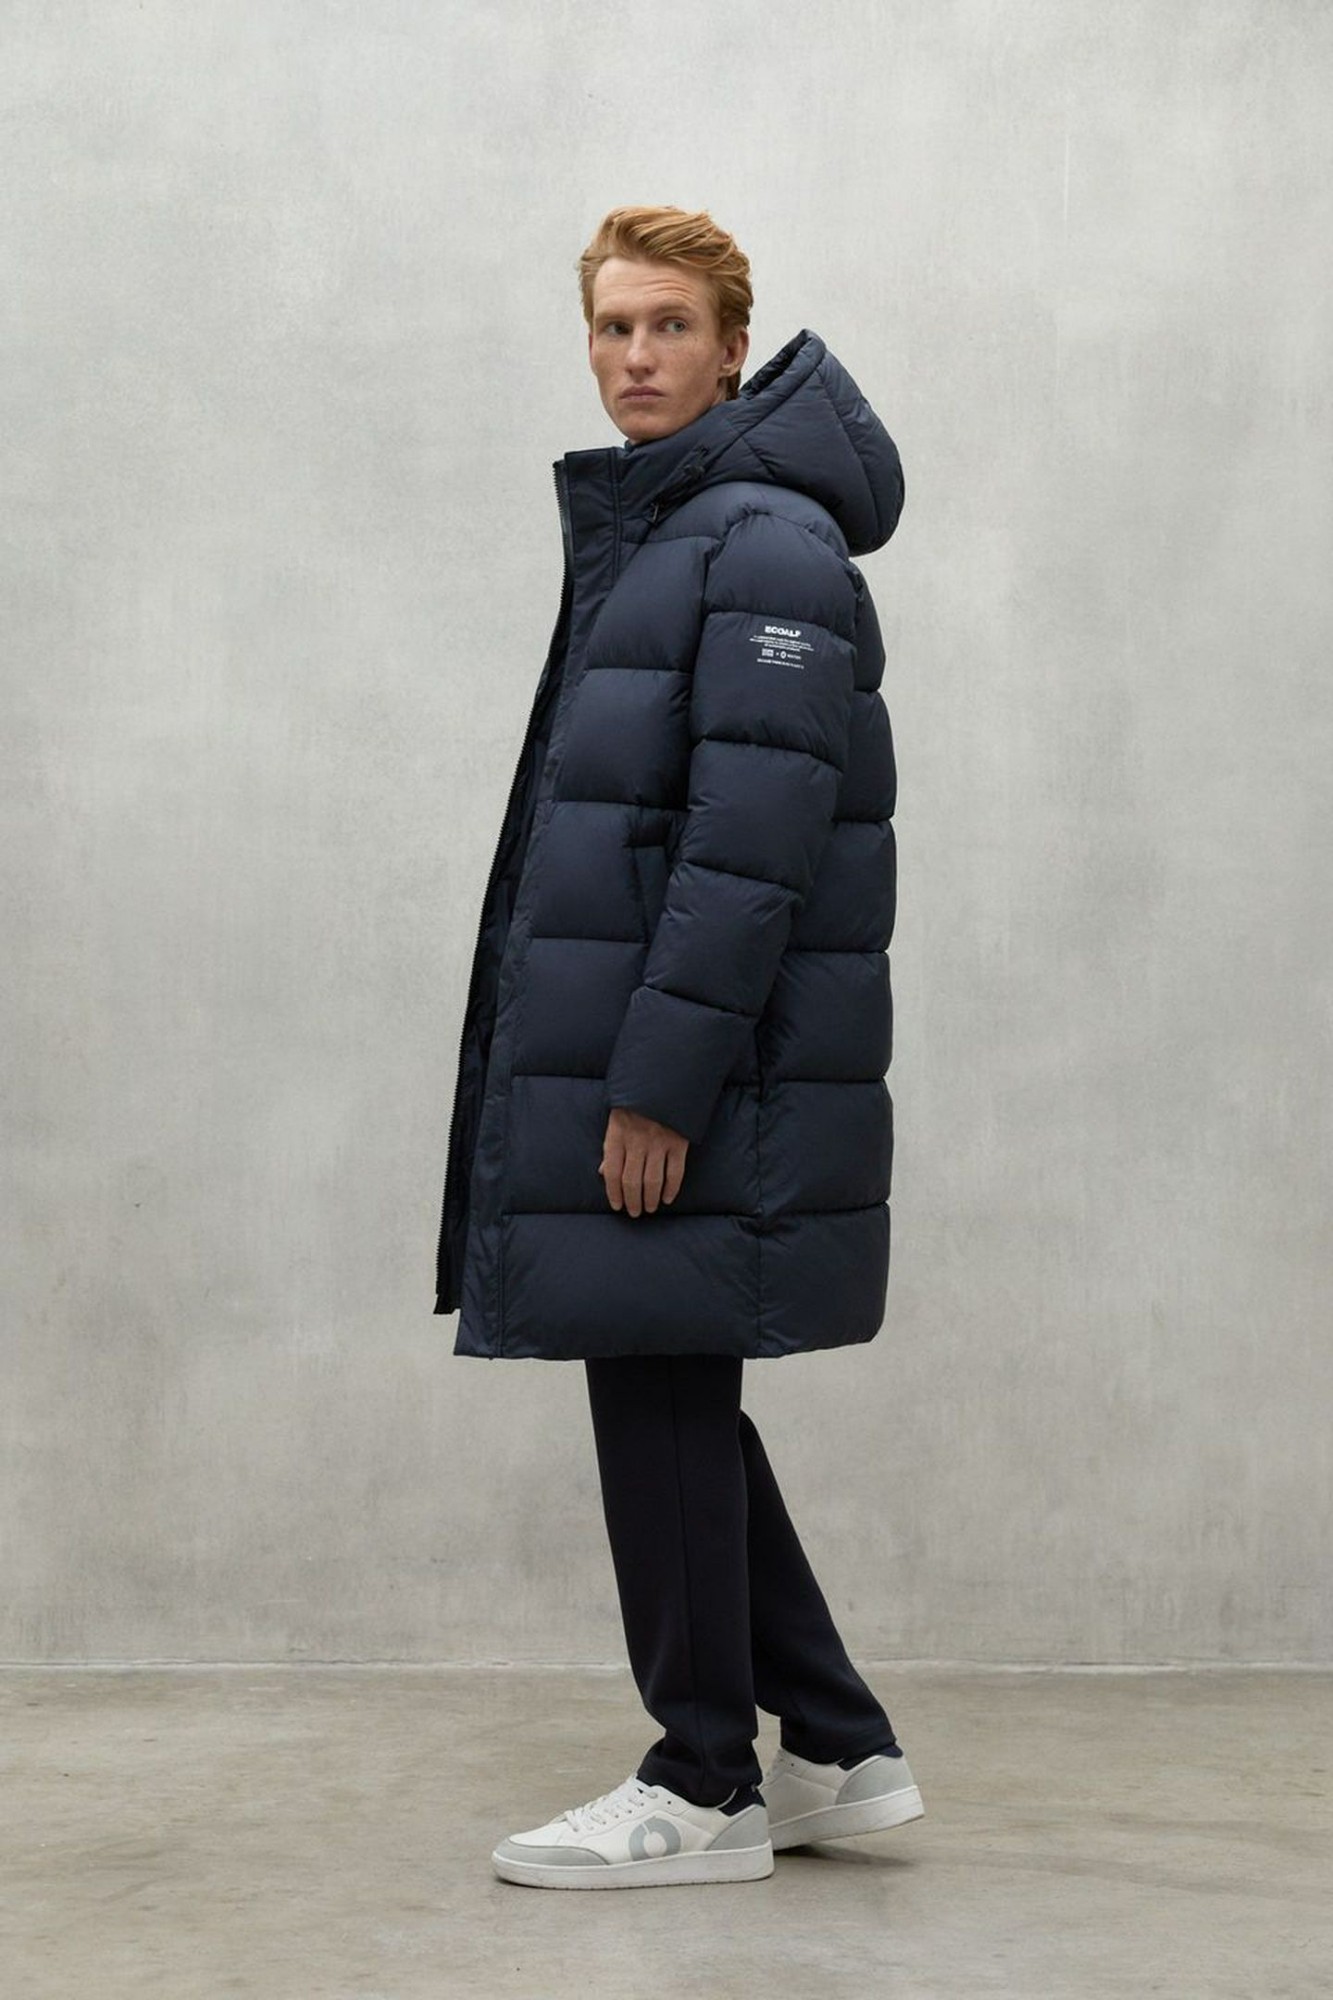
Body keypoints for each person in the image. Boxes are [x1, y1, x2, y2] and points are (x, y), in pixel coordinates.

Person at [432, 205, 922, 1889]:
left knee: (657, 1386)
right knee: (666, 1382)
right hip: (659, 1052)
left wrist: (656, 1087)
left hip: (698, 1074)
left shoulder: (760, 544)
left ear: (731, 348)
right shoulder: (676, 529)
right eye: (610, 326)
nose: (633, 357)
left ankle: (702, 1782)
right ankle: (836, 1745)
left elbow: (746, 856)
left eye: (668, 327)